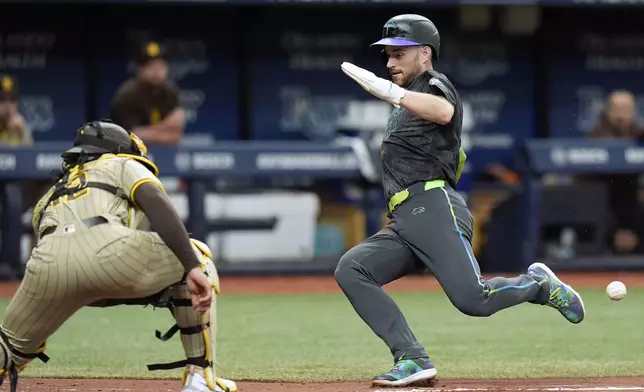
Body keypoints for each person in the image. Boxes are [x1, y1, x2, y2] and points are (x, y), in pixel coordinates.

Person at [335, 14, 585, 388]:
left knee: (474, 300)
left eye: (398, 54)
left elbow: (444, 112)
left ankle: (539, 286)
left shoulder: (435, 85)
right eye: (387, 55)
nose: (389, 64)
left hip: (434, 207)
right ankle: (411, 359)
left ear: (424, 53)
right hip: (405, 217)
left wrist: (390, 92)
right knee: (352, 269)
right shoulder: (405, 104)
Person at [0, 120, 236, 392]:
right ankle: (200, 380)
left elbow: (73, 266)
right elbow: (155, 201)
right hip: (108, 247)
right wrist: (191, 267)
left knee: (10, 346)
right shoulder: (121, 163)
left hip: (45, 265)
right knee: (197, 256)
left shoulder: (50, 195)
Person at [586, 90, 644, 254]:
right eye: (617, 110)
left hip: (631, 200)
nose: (621, 116)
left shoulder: (637, 133)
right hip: (602, 200)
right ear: (608, 111)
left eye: (626, 110)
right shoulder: (596, 134)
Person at [109, 41, 185, 144]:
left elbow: (175, 135)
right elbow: (130, 135)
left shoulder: (171, 92)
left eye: (161, 66)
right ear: (140, 69)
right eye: (151, 66)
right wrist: (165, 127)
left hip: (165, 153)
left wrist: (150, 132)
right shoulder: (127, 95)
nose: (156, 71)